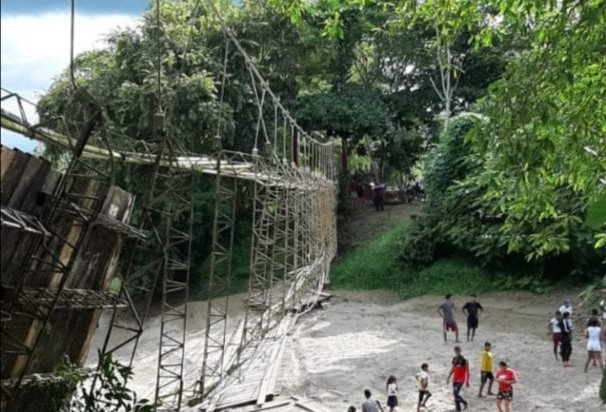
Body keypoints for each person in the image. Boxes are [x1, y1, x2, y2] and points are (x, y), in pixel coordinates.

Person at [447, 346, 469, 412]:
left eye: (458, 350)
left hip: (461, 379)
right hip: (455, 379)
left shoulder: (464, 360)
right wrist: (448, 377)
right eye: (456, 351)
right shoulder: (454, 359)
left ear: (460, 350)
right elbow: (453, 368)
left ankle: (461, 405)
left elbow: (467, 370)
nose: (457, 352)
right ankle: (460, 405)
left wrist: (467, 381)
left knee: (456, 393)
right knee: (455, 393)